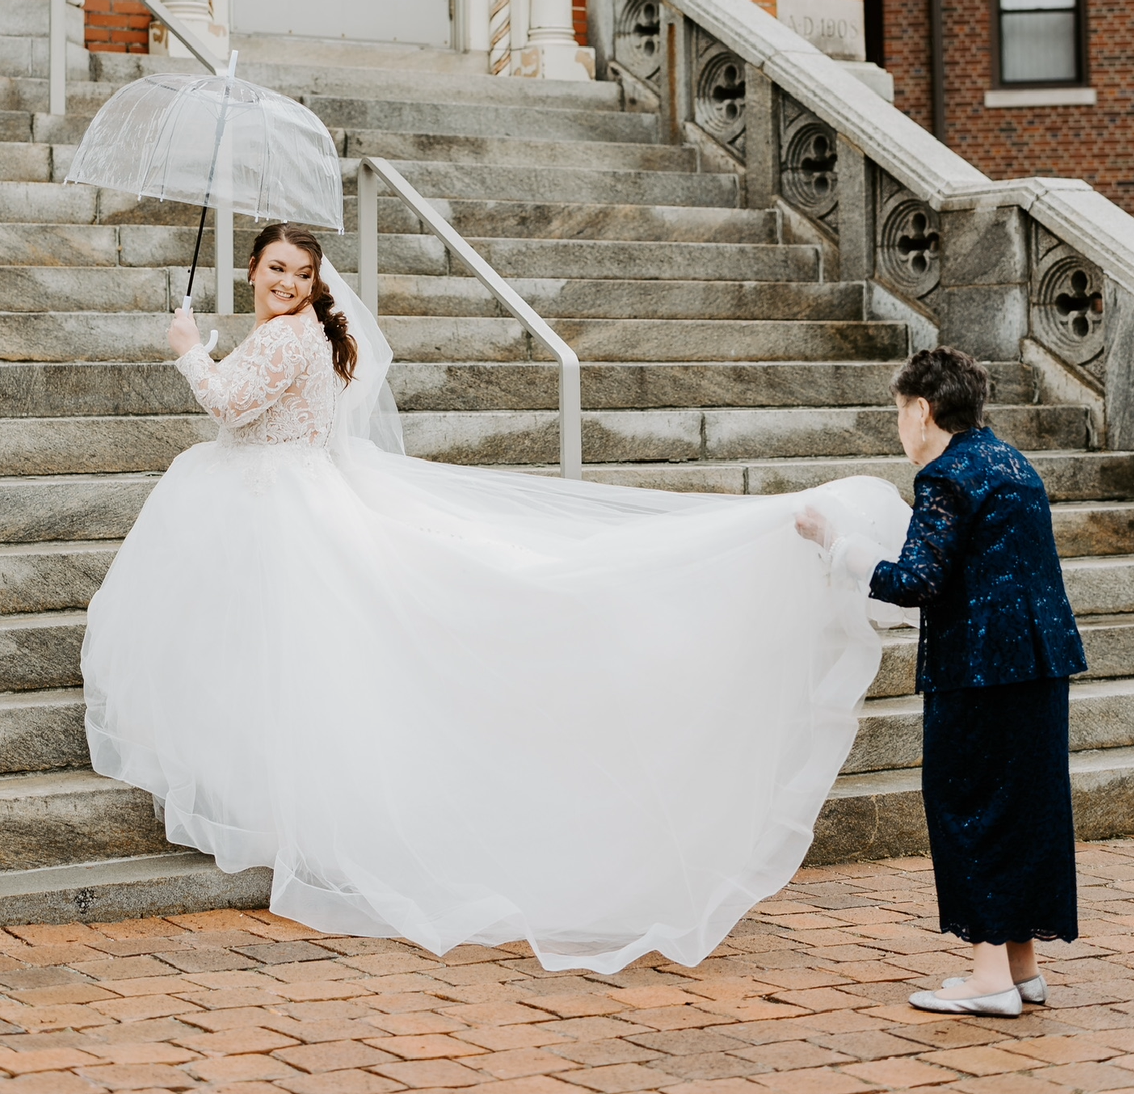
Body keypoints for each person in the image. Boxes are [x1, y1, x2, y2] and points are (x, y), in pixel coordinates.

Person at [83, 223, 916, 973]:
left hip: (269, 502)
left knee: (281, 658)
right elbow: (264, 407)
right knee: (278, 658)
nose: (287, 282)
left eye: (300, 272)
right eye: (275, 269)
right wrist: (233, 349)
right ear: (254, 269)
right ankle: (266, 804)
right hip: (285, 494)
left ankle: (281, 812)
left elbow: (228, 404)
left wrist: (190, 345)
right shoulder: (297, 336)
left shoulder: (288, 336)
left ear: (314, 280)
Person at [797, 346, 1086, 1018]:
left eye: (900, 410)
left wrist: (835, 544)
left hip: (979, 671)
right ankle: (1021, 965)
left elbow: (914, 581)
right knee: (1024, 809)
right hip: (1040, 665)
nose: (899, 424)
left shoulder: (946, 476)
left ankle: (988, 976)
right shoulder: (1014, 464)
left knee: (970, 806)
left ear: (923, 410)